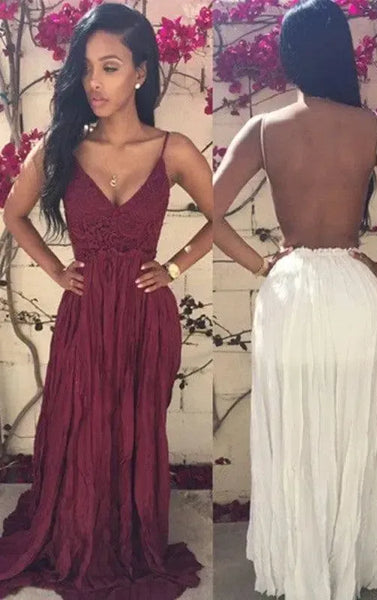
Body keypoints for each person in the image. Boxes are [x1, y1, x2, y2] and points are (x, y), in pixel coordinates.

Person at [214, 1, 377, 598]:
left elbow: (211, 212)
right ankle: (340, 564)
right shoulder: (374, 128)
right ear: (341, 52)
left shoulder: (264, 129)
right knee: (347, 427)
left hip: (290, 291)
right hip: (351, 291)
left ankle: (299, 565)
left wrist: (260, 263)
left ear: (289, 56)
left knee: (294, 429)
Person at [1, 4, 212, 598]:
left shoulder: (173, 149)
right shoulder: (62, 147)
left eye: (110, 67)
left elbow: (219, 220)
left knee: (135, 425)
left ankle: (126, 536)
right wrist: (55, 269)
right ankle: (79, 533)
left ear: (140, 73)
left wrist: (173, 267)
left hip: (145, 315)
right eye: (87, 68)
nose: (94, 81)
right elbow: (14, 213)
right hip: (86, 314)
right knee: (82, 424)